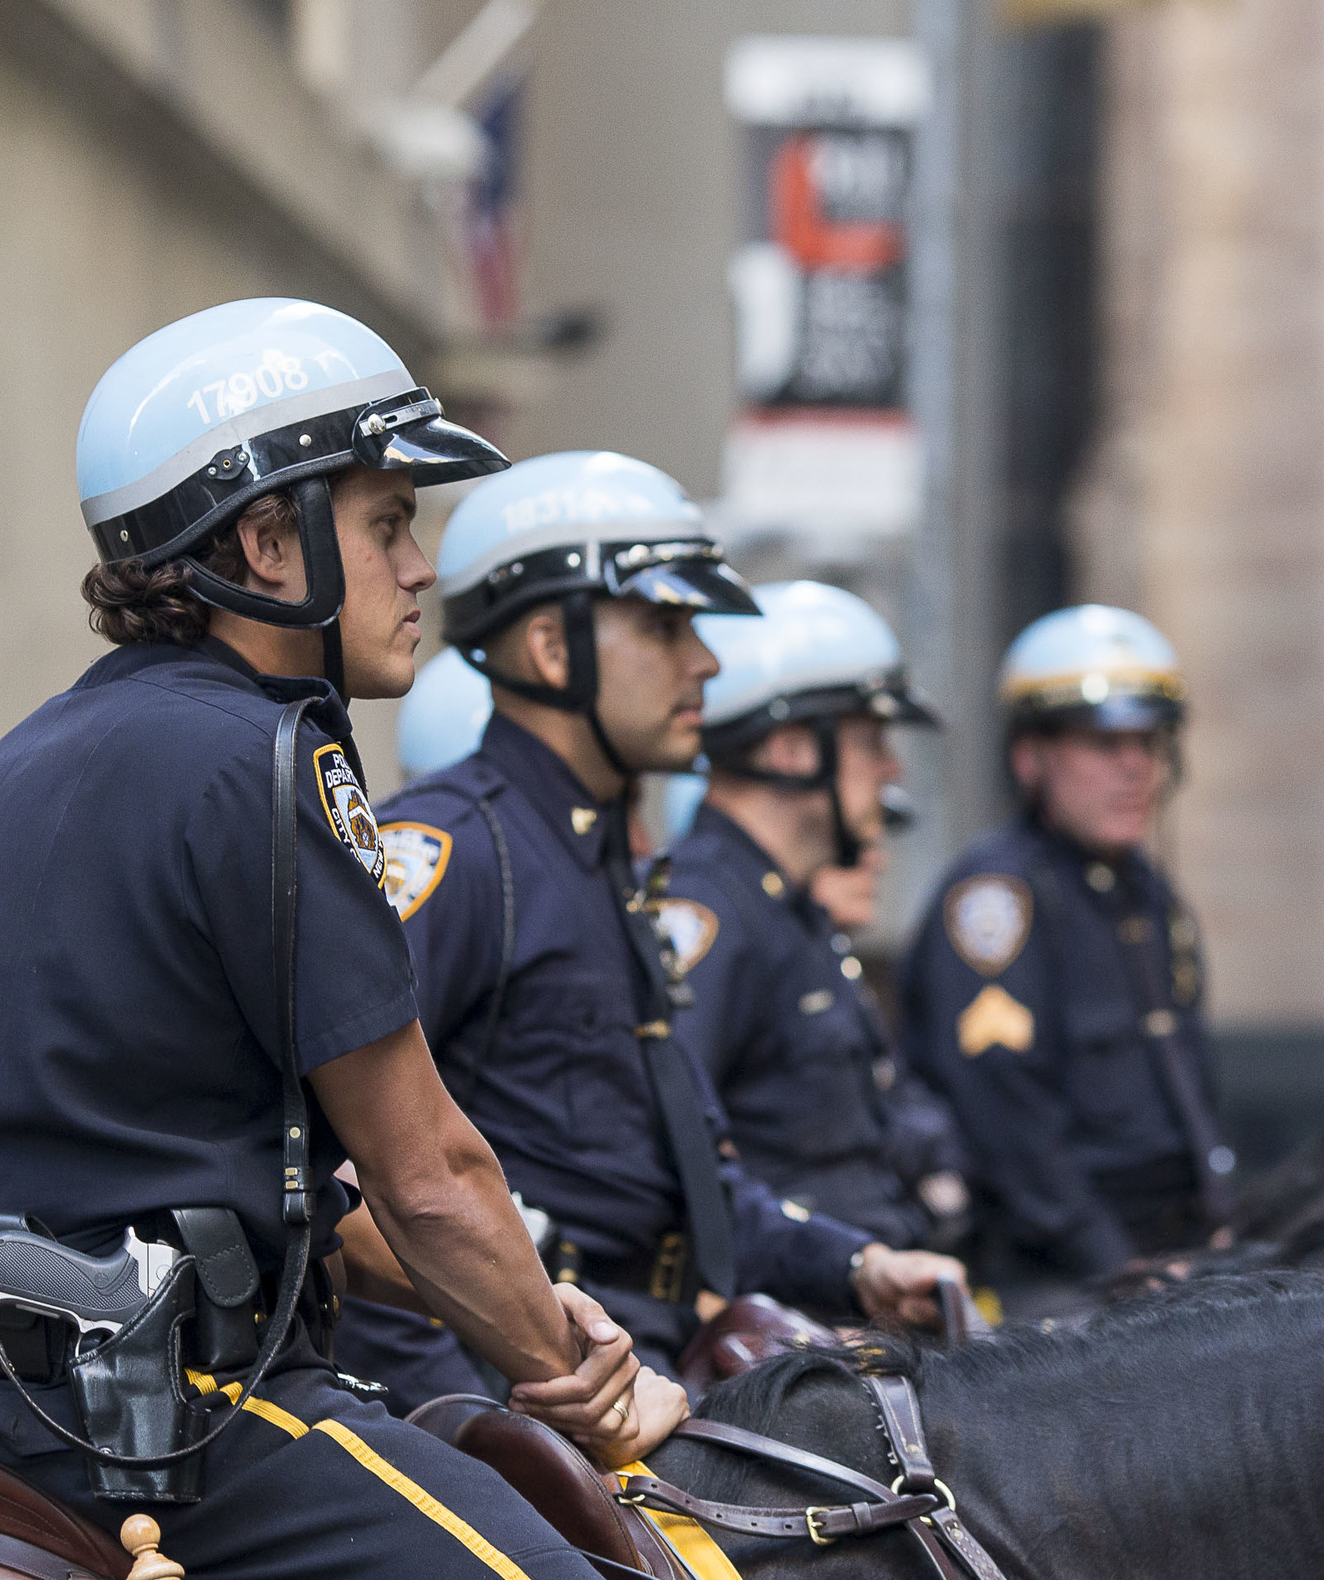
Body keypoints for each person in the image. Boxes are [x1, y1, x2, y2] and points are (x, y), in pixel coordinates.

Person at [0, 299, 697, 1580]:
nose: (421, 566)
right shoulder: (265, 760)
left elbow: (240, 1174)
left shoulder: (28, 756)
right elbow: (428, 1173)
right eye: (387, 523)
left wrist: (510, 1301)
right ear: (266, 542)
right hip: (177, 1426)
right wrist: (581, 1381)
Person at [334, 454, 964, 1405]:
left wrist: (859, 1266)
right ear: (551, 649)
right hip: (527, 1390)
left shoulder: (602, 867)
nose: (705, 661)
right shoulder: (457, 850)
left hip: (656, 1360)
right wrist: (472, 1422)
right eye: (666, 625)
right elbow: (351, 1181)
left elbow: (694, 1195)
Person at [901, 605, 1230, 1307]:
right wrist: (1125, 1271)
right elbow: (1011, 1134)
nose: (1134, 766)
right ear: (1031, 756)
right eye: (1101, 741)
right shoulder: (995, 900)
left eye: (1149, 739)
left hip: (1171, 1257)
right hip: (1055, 1277)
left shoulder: (1143, 890)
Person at [656, 582, 970, 1254]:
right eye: (869, 739)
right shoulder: (706, 908)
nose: (892, 767)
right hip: (800, 1322)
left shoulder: (787, 911)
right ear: (792, 749)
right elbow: (674, 1153)